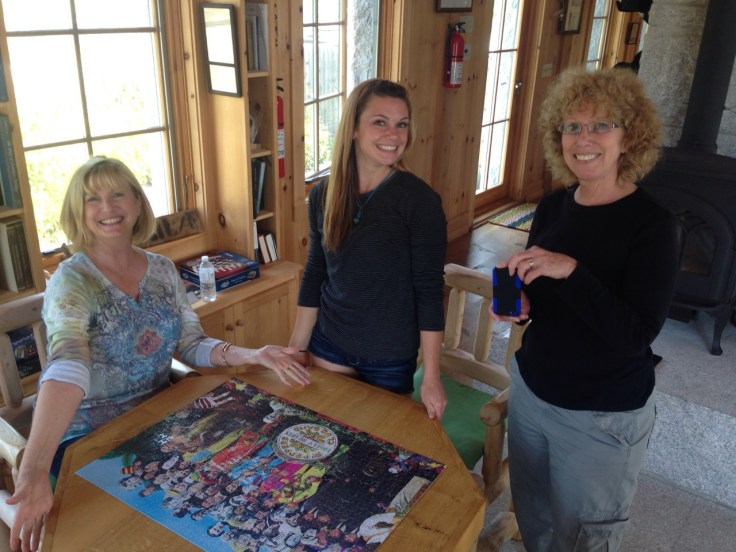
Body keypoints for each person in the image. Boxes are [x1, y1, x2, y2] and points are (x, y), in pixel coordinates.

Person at [6, 156, 309, 552]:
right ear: (77, 211)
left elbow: (191, 343)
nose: (107, 207)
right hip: (89, 436)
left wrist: (254, 352)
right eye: (92, 198)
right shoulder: (72, 280)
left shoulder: (164, 270)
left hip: (164, 420)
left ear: (137, 202)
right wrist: (33, 468)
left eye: (118, 194)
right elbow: (68, 363)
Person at [490, 67, 678, 551]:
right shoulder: (553, 207)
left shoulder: (653, 225)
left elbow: (635, 336)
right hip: (532, 391)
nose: (584, 138)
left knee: (583, 537)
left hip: (601, 415)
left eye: (601, 125)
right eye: (572, 126)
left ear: (628, 136)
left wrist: (572, 270)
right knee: (532, 515)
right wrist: (520, 306)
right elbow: (545, 300)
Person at [288, 79, 448, 419]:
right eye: (380, 122)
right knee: (327, 434)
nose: (394, 135)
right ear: (354, 129)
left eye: (401, 124)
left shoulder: (420, 202)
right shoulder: (323, 195)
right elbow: (316, 273)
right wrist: (295, 348)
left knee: (379, 448)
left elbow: (429, 291)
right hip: (329, 344)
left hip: (389, 357)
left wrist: (431, 375)